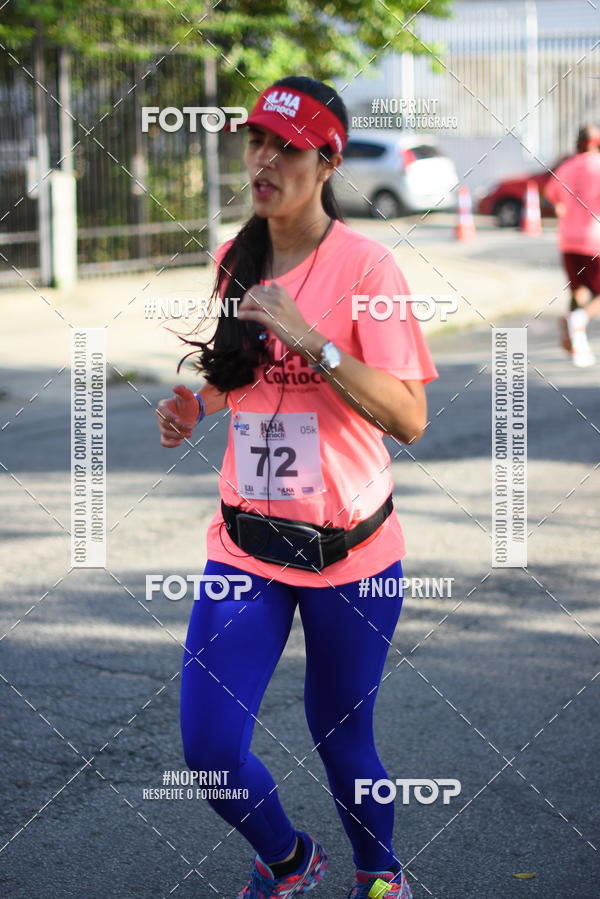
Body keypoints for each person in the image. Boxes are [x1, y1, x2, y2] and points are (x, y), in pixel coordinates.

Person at [155, 75, 438, 899]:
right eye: (256, 142)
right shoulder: (235, 256)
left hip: (349, 555)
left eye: (288, 148)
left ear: (326, 163)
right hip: (248, 545)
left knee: (342, 741)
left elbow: (411, 416)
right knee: (209, 748)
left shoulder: (367, 266)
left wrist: (313, 339)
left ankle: (380, 873)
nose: (265, 160)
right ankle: (287, 858)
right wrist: (198, 402)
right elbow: (240, 370)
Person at [544, 124, 600, 366]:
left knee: (580, 289)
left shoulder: (565, 167)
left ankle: (574, 341)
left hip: (568, 239)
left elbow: (550, 195)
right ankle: (579, 320)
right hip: (595, 238)